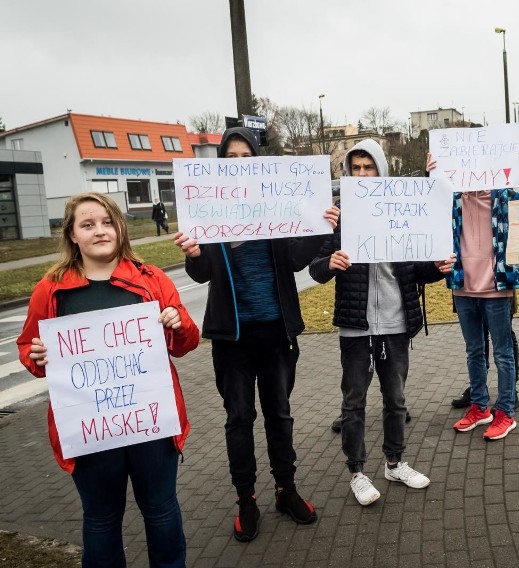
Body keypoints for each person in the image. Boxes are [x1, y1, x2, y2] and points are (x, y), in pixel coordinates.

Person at [174, 127, 340, 541]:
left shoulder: (277, 207)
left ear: (259, 163)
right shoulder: (211, 211)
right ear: (220, 166)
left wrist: (321, 227)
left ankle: (286, 490)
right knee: (239, 419)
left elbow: (299, 262)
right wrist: (193, 254)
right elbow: (203, 273)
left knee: (279, 415)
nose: (239, 165)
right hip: (232, 337)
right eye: (230, 158)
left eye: (247, 157)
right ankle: (246, 500)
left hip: (276, 331)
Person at [17, 192, 199, 567]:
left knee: (161, 510)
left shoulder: (151, 278)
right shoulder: (50, 289)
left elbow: (186, 343)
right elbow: (30, 351)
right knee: (101, 519)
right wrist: (37, 356)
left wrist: (178, 324)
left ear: (119, 227)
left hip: (151, 423)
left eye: (106, 222)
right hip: (89, 429)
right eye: (87, 224)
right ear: (72, 235)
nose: (99, 231)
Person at [310, 139, 455, 505]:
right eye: (355, 169)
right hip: (356, 326)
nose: (362, 174)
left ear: (380, 170)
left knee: (396, 399)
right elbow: (314, 267)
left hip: (395, 322)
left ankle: (394, 462)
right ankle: (357, 472)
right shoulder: (337, 218)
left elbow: (417, 267)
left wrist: (437, 268)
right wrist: (330, 264)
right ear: (347, 174)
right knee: (353, 401)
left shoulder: (402, 209)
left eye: (368, 167)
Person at [425, 151, 519, 441]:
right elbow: (425, 209)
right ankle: (480, 407)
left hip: (497, 284)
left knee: (502, 352)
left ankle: (505, 411)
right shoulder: (451, 196)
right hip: (463, 285)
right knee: (474, 351)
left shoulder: (505, 193)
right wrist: (431, 174)